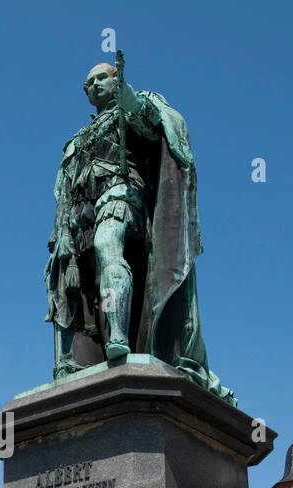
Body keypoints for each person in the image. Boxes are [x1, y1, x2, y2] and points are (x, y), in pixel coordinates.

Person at [42, 59, 232, 402]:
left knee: (108, 244)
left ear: (116, 80)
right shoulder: (75, 140)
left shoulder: (130, 107)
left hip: (122, 196)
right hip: (78, 221)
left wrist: (129, 97)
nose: (96, 84)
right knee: (72, 286)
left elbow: (151, 122)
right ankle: (75, 359)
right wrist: (62, 239)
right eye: (90, 82)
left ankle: (118, 338)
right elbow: (65, 191)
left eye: (103, 77)